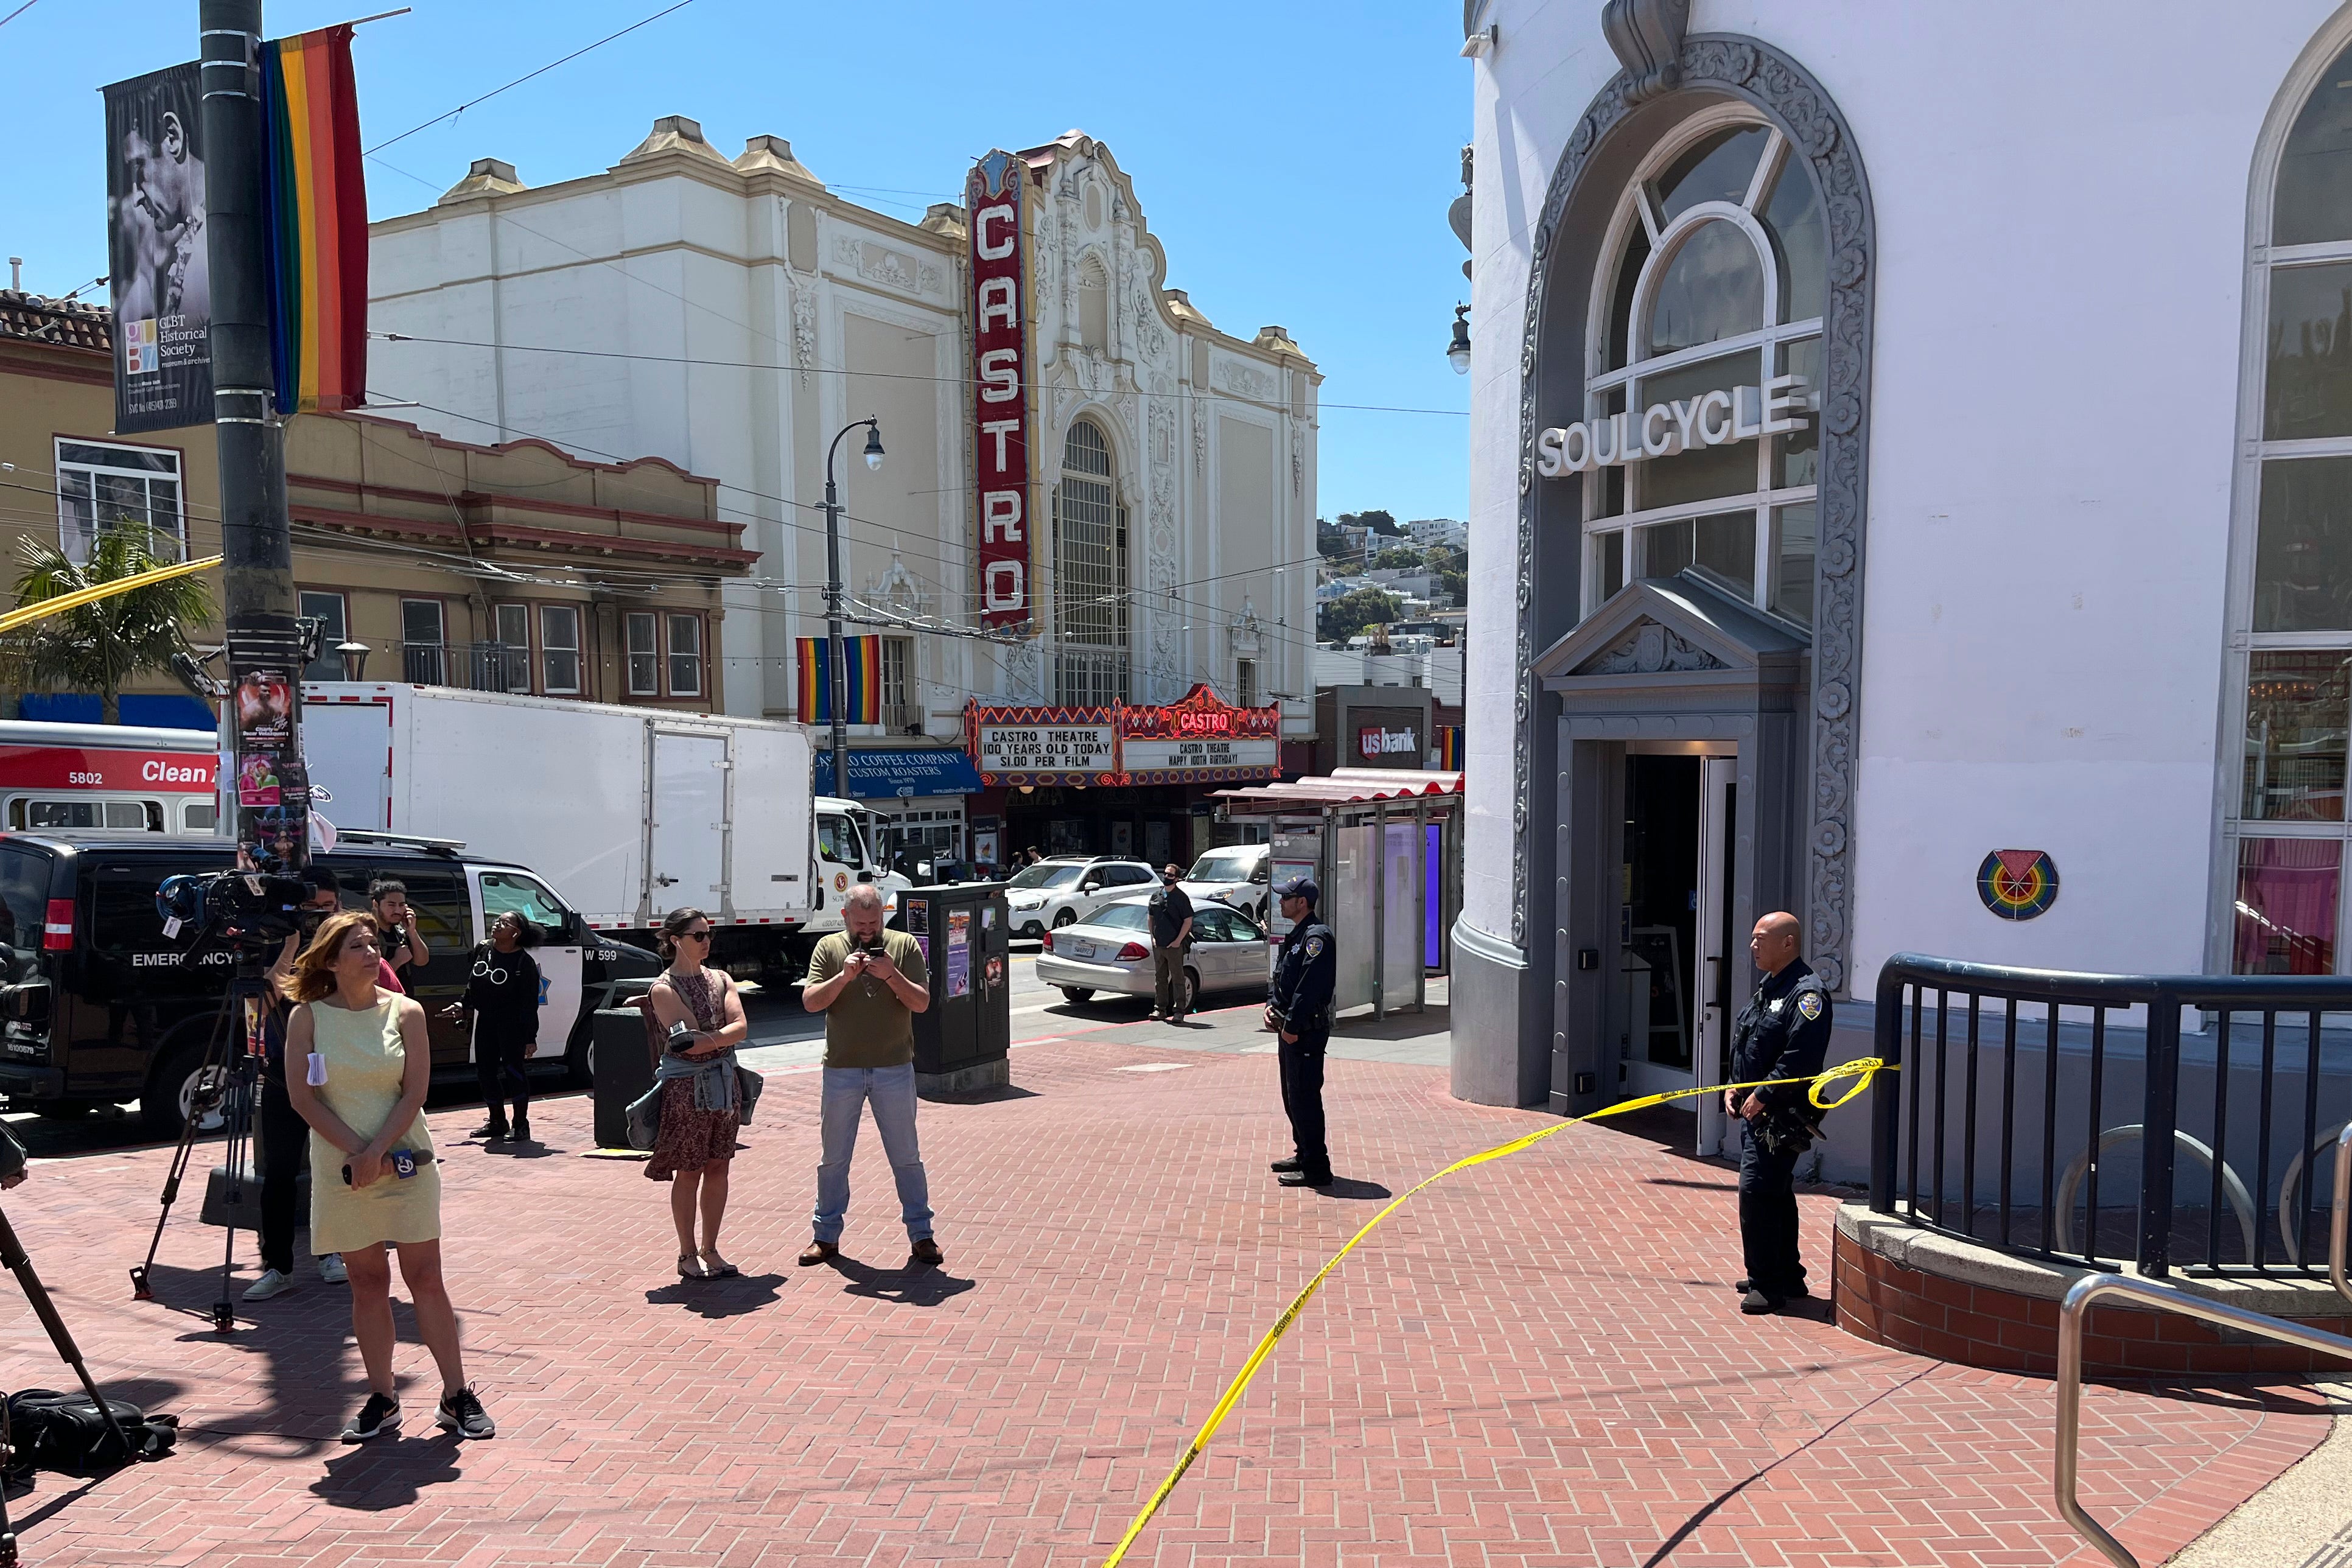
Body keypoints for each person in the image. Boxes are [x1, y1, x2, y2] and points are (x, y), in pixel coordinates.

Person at [282, 911, 492, 1442]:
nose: (372, 953)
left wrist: (376, 1152)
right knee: (368, 1282)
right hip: (344, 1170)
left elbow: (415, 1091)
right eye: (358, 946)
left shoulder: (407, 1011)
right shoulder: (307, 1017)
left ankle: (456, 1395)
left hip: (406, 1161)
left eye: (374, 943)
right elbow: (303, 1098)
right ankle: (383, 1396)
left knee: (426, 1278)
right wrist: (359, 1155)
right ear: (331, 961)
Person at [797, 884, 939, 1268]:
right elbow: (811, 1002)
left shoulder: (903, 945)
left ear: (882, 916)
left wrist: (891, 975)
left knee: (906, 1156)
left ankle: (922, 1235)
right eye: (861, 924)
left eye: (874, 922)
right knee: (833, 1158)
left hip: (894, 1067)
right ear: (845, 917)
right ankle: (825, 1236)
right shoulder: (828, 948)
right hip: (841, 1070)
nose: (868, 930)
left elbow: (922, 1003)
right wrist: (843, 978)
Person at [1722, 911, 1835, 1315]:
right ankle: (1786, 1274)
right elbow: (1749, 1041)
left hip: (1780, 1117)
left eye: (1761, 939)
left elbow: (1800, 1059)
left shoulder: (1807, 995)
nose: (1753, 946)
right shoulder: (1771, 987)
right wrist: (1734, 1084)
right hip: (1756, 1112)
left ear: (1788, 943)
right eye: (1753, 938)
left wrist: (1763, 1095)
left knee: (1757, 1192)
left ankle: (1767, 1287)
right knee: (1776, 1192)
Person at [248, 872, 349, 1297]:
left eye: (327, 908)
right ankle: (278, 1266)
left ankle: (333, 1253)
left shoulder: (350, 948)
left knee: (335, 1168)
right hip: (283, 1078)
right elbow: (260, 1003)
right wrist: (291, 945)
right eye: (310, 909)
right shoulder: (275, 942)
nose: (317, 918)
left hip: (339, 1077)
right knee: (279, 1173)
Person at [643, 907, 751, 1279]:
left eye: (709, 934)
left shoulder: (721, 978)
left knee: (719, 1166)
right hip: (687, 1091)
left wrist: (714, 1038)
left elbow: (741, 1027)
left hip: (724, 1085)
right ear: (676, 941)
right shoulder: (663, 989)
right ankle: (687, 1253)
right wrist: (722, 1036)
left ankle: (711, 1249)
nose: (707, 942)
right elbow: (689, 1042)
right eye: (698, 936)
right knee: (689, 1170)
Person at [443, 912, 540, 1144]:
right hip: (486, 1021)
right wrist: (463, 1004)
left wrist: (530, 1037)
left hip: (512, 1025)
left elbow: (530, 1004)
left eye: (505, 923)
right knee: (485, 1073)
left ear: (516, 933)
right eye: (498, 920)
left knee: (514, 1072)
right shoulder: (483, 949)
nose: (497, 924)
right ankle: (497, 1121)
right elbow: (472, 983)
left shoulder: (524, 963)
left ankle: (520, 1125)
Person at [1264, 876, 1337, 1188]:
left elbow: (1309, 989)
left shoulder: (1317, 938)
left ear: (1302, 903)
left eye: (1286, 898)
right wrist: (1272, 1008)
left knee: (1305, 1098)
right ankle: (1304, 1153)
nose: (1280, 902)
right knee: (1292, 1096)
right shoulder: (1297, 935)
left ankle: (1317, 1168)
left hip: (1304, 1032)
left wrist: (1292, 1026)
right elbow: (1283, 979)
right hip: (1289, 1031)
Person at [1147, 863, 1195, 1021]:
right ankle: (1159, 1010)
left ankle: (1179, 1011)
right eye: (1165, 874)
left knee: (1178, 978)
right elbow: (1150, 918)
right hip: (1159, 945)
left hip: (1174, 946)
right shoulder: (1156, 895)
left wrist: (1177, 941)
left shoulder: (1181, 898)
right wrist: (1153, 937)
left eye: (1170, 875)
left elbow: (1188, 921)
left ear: (1177, 879)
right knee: (1160, 978)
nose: (1166, 877)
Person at [370, 878, 432, 993]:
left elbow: (422, 961)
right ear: (376, 905)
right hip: (381, 999)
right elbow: (371, 980)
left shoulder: (401, 931)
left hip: (404, 998)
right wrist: (397, 961)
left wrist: (412, 931)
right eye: (391, 905)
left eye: (401, 905)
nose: (397, 910)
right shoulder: (368, 934)